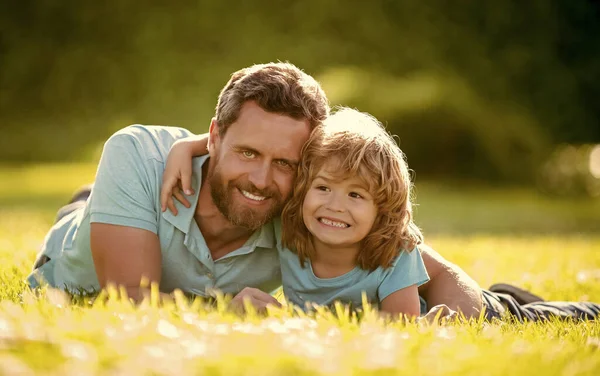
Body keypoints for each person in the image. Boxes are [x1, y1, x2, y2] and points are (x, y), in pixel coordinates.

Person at [27, 62, 484, 317]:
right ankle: (89, 199)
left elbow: (432, 270)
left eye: (284, 162)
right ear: (216, 135)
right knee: (97, 202)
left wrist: (456, 327)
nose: (263, 181)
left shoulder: (309, 206)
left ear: (307, 166)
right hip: (80, 244)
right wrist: (225, 310)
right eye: (247, 153)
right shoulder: (137, 156)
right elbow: (127, 300)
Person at [274, 108, 429, 317]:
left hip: (484, 307)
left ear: (382, 209)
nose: (335, 205)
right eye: (323, 188)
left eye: (355, 195)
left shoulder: (396, 254)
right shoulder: (286, 235)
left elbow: (402, 322)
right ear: (302, 190)